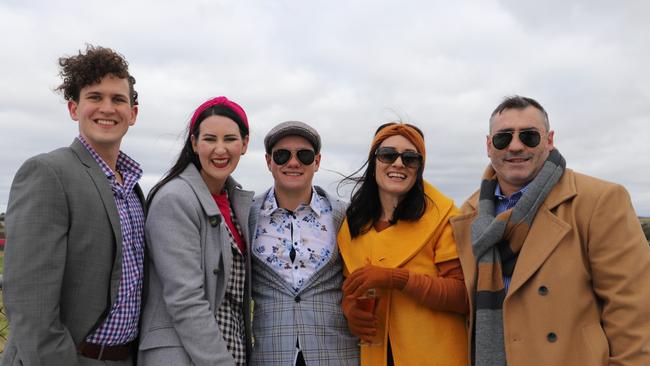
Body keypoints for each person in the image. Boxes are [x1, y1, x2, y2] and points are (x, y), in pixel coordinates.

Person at [451, 95, 650, 366]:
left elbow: (634, 312)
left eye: (530, 136)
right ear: (489, 146)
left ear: (549, 140)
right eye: (503, 138)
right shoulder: (469, 213)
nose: (516, 146)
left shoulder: (599, 200)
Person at [2, 45, 143, 365]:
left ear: (133, 114)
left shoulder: (134, 189)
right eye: (95, 97)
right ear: (73, 108)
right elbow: (30, 304)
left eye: (118, 99)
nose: (107, 108)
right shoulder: (48, 173)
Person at [338, 122, 468, 366]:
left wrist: (397, 279)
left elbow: (462, 295)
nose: (398, 163)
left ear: (419, 167)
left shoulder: (445, 216)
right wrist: (350, 311)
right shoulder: (353, 223)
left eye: (410, 158)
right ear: (373, 161)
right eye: (387, 155)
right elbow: (349, 286)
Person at [137, 96, 254, 365]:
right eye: (210, 139)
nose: (220, 149)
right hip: (182, 354)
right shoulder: (175, 199)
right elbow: (185, 299)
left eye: (230, 139)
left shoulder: (236, 203)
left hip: (228, 348)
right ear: (194, 143)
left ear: (245, 144)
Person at [248, 121, 359, 365]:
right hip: (270, 355)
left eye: (304, 155)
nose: (293, 162)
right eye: (282, 155)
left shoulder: (344, 215)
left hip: (336, 355)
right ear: (269, 161)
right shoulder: (247, 215)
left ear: (317, 162)